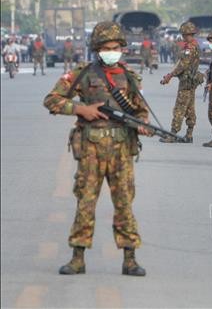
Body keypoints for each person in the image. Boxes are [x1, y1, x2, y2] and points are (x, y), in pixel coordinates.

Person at [43, 21, 148, 277]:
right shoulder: (83, 73)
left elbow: (141, 110)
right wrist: (81, 109)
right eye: (106, 48)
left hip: (121, 148)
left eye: (116, 47)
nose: (112, 51)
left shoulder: (130, 77)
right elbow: (52, 100)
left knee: (124, 203)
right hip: (91, 148)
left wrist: (142, 124)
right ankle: (77, 257)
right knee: (86, 202)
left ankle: (130, 259)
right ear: (97, 49)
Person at [160, 22, 203, 143]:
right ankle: (189, 134)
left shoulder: (190, 48)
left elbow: (183, 65)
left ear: (186, 34)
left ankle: (173, 134)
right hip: (191, 81)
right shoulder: (195, 46)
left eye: (184, 35)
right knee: (190, 108)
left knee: (179, 108)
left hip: (186, 82)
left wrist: (170, 76)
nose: (183, 37)